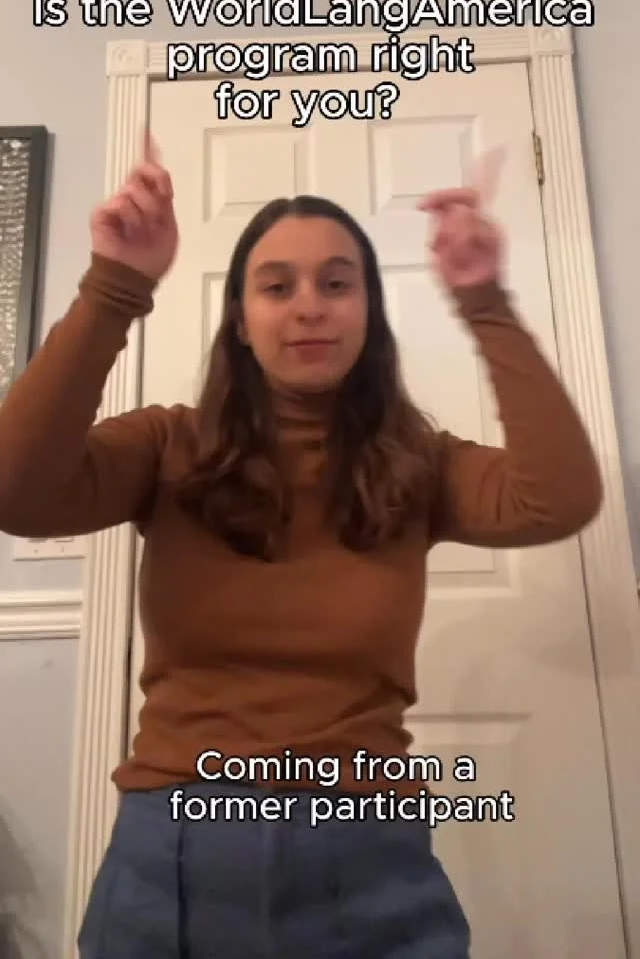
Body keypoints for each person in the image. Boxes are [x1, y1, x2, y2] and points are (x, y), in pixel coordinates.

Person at [0, 135, 602, 959]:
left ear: (368, 313)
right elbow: (16, 492)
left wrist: (484, 300)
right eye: (277, 286)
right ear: (241, 321)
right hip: (177, 853)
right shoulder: (167, 447)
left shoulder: (419, 465)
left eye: (337, 283)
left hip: (372, 857)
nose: (310, 305)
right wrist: (116, 283)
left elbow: (559, 498)